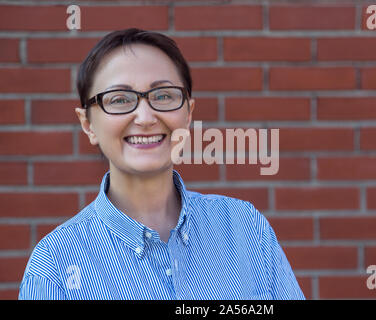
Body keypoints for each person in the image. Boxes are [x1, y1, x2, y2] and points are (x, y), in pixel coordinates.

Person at [19, 28, 305, 300]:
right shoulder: (55, 265)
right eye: (119, 99)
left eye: (164, 96)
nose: (145, 117)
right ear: (88, 124)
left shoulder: (244, 228)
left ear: (189, 113)